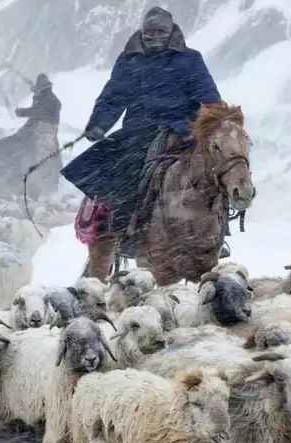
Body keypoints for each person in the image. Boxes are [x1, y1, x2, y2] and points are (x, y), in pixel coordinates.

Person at [60, 6, 228, 281]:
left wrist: (213, 123)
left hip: (183, 132)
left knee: (214, 172)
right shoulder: (130, 60)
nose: (154, 35)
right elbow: (113, 97)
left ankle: (216, 231)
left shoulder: (189, 60)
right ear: (142, 31)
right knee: (117, 177)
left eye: (160, 30)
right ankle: (122, 229)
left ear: (171, 32)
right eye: (150, 30)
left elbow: (208, 97)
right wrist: (98, 123)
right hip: (139, 132)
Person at [0, 73, 62, 201]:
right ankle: (16, 191)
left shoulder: (50, 101)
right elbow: (38, 109)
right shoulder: (45, 100)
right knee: (9, 156)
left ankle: (31, 193)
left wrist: (23, 112)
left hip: (40, 138)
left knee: (40, 167)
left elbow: (40, 109)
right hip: (32, 136)